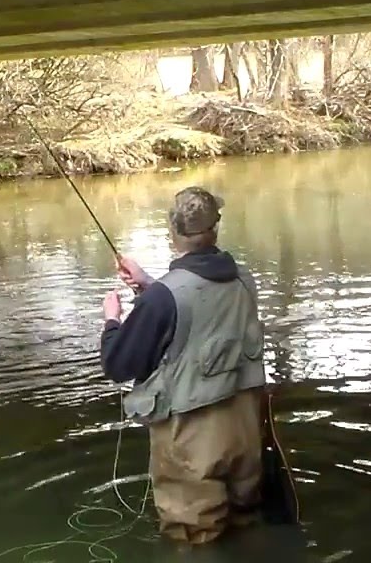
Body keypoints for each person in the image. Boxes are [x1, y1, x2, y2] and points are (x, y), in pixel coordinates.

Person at [99, 186, 268, 545]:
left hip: (192, 440)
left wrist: (112, 321)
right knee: (245, 523)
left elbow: (118, 365)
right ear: (215, 229)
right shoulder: (243, 278)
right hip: (245, 429)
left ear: (172, 234)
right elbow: (203, 313)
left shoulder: (163, 299)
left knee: (195, 540)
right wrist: (148, 285)